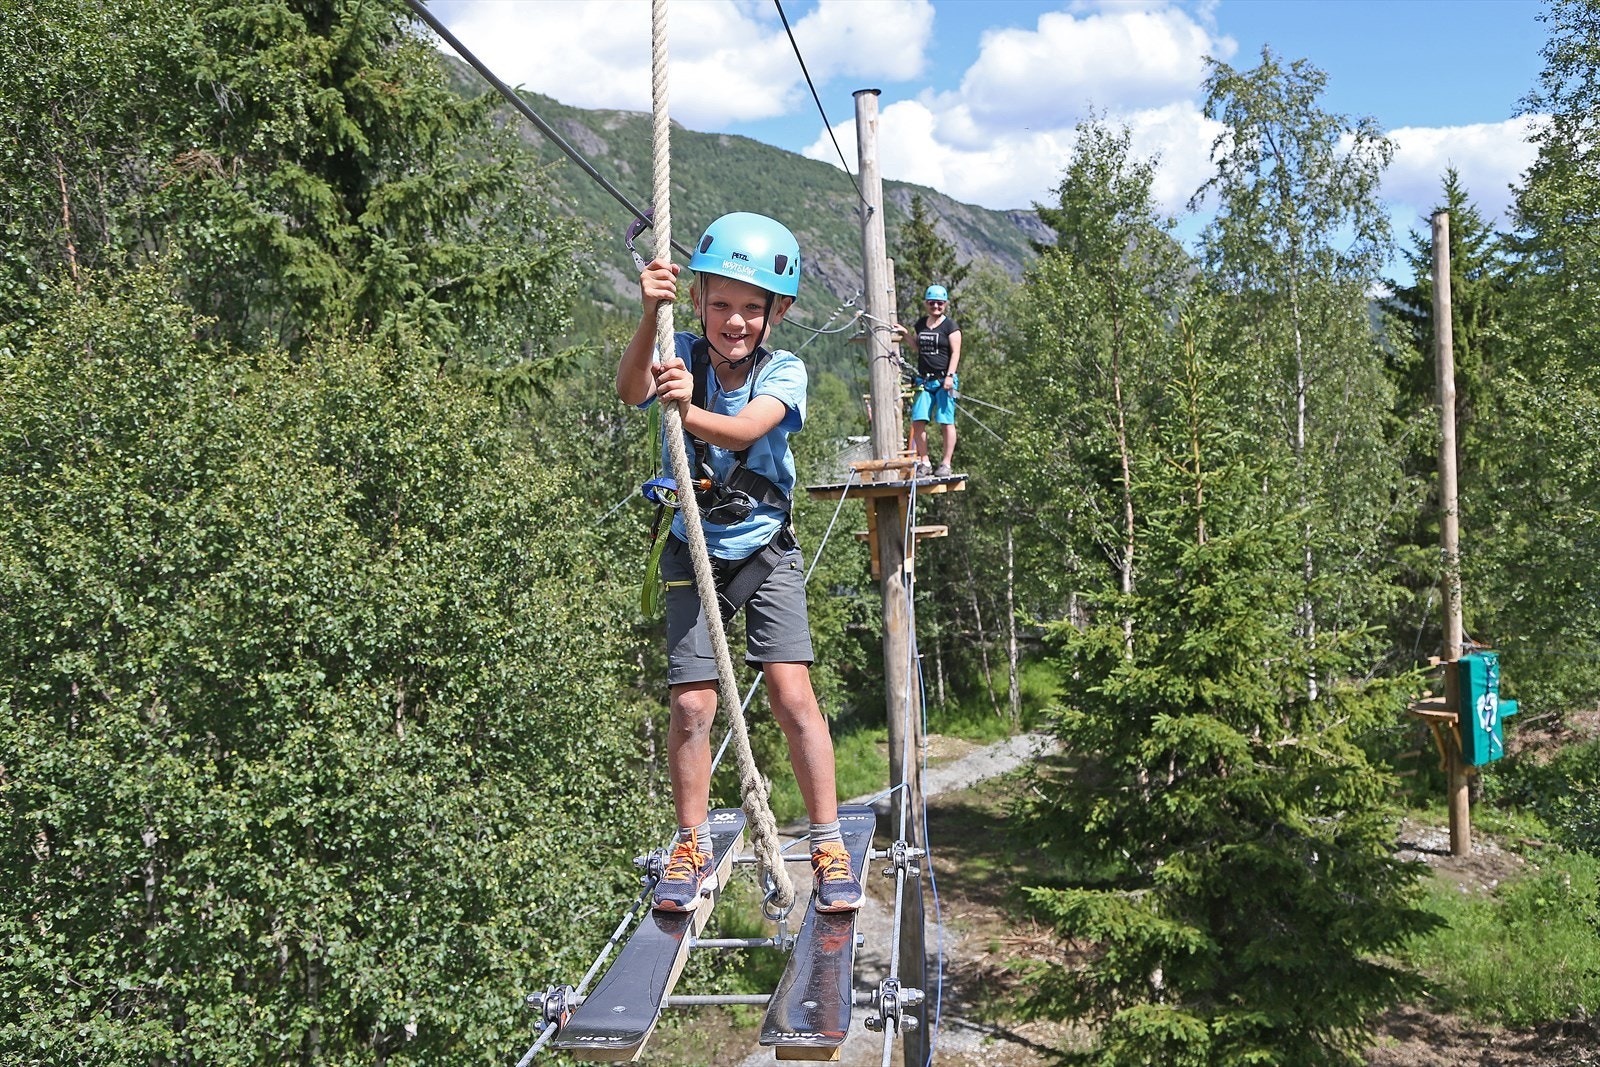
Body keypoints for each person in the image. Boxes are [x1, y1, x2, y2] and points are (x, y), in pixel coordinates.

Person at [617, 212, 863, 914]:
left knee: (791, 696)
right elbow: (631, 389)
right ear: (697, 302)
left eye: (751, 308)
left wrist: (686, 411)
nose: (734, 321)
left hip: (762, 551)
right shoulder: (682, 352)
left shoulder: (783, 370)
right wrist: (648, 317)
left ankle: (826, 840)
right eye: (720, 303)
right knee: (693, 704)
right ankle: (688, 843)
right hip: (694, 551)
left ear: (776, 312)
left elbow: (747, 426)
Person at [893, 285, 962, 477]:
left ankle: (946, 463)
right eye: (932, 303)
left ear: (945, 304)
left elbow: (956, 352)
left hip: (944, 381)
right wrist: (906, 335)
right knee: (918, 420)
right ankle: (925, 461)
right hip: (924, 380)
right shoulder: (921, 324)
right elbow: (918, 348)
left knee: (946, 421)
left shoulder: (950, 327)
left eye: (939, 303)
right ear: (926, 303)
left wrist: (949, 376)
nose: (936, 306)